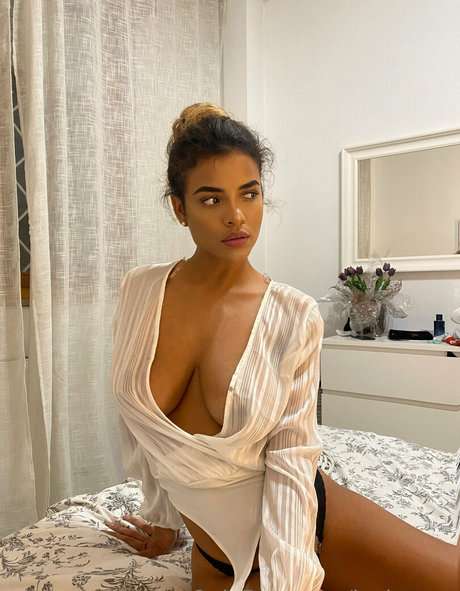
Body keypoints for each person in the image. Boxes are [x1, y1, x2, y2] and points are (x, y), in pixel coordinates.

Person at [105, 103, 458, 591]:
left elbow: (291, 463)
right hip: (213, 561)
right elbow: (143, 430)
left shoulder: (293, 314)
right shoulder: (140, 290)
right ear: (179, 208)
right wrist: (163, 520)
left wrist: (288, 579)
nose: (236, 216)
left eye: (249, 194)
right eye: (211, 199)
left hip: (309, 534)